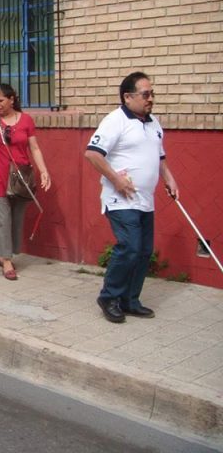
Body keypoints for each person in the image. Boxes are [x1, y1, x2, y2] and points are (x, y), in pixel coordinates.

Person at [85, 72, 178, 323]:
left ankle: (130, 300)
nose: (151, 99)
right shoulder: (116, 121)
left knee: (144, 251)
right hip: (120, 198)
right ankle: (109, 296)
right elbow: (92, 154)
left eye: (152, 94)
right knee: (130, 247)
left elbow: (159, 157)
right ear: (128, 97)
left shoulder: (153, 122)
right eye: (145, 94)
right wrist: (116, 180)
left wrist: (169, 178)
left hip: (145, 199)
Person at [0, 84, 51, 280]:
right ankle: (6, 260)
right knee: (2, 220)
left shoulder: (26, 120)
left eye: (1, 100)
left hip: (19, 177)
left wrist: (43, 171)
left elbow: (34, 148)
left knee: (16, 219)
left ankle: (4, 252)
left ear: (12, 99)